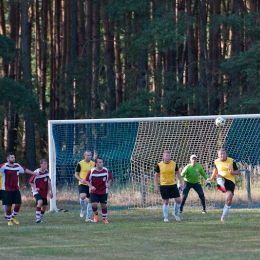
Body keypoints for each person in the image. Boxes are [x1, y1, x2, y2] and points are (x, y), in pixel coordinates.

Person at [0, 152, 38, 226]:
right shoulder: (3, 166)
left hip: (16, 189)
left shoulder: (17, 166)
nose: (13, 159)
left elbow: (25, 170)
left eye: (14, 157)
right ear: (8, 159)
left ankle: (12, 216)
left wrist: (34, 173)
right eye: (12, 157)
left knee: (18, 204)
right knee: (8, 205)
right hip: (6, 189)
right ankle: (9, 220)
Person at [207, 148, 240, 222]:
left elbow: (238, 172)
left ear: (226, 154)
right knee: (218, 175)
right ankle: (221, 186)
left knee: (228, 200)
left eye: (223, 154)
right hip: (221, 178)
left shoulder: (231, 161)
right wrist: (211, 178)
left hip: (230, 181)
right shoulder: (216, 161)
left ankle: (223, 216)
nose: (222, 155)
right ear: (218, 155)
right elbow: (216, 170)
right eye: (220, 154)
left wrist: (232, 172)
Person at [154, 150, 184, 222]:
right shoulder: (159, 165)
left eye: (169, 156)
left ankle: (175, 213)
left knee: (178, 200)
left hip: (173, 185)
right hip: (164, 185)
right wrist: (156, 186)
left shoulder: (174, 164)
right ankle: (166, 217)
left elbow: (178, 174)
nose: (168, 157)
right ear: (163, 157)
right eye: (166, 156)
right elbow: (156, 176)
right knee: (166, 202)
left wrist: (182, 182)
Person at [85, 157, 112, 224]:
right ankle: (96, 214)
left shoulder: (106, 170)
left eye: (102, 162)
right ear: (96, 163)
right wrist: (91, 186)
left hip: (103, 191)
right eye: (100, 162)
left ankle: (104, 219)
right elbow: (87, 180)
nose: (101, 163)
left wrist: (108, 184)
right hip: (94, 191)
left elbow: (110, 178)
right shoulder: (91, 171)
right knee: (94, 204)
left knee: (103, 205)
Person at [29, 159, 53, 223]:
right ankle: (38, 219)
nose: (46, 165)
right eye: (44, 164)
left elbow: (49, 183)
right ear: (41, 164)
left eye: (46, 164)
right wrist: (35, 187)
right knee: (40, 202)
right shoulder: (37, 172)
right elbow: (30, 182)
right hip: (36, 191)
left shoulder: (47, 172)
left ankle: (39, 218)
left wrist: (51, 192)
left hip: (44, 191)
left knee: (44, 207)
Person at [74, 150, 95, 222]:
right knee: (82, 196)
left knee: (90, 200)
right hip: (82, 183)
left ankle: (88, 218)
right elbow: (76, 174)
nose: (89, 156)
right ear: (84, 156)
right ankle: (83, 209)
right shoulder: (80, 163)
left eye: (90, 155)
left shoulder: (93, 164)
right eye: (87, 155)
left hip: (90, 184)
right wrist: (80, 179)